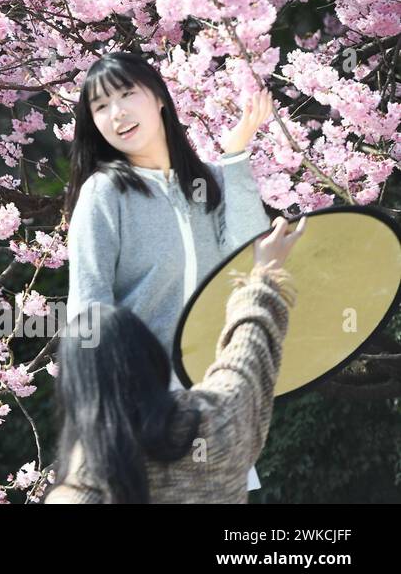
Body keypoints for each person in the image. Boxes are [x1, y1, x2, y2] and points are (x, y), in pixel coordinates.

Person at [63, 51, 274, 486]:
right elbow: (89, 306)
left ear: (158, 96)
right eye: (100, 106)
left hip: (216, 398)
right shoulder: (104, 193)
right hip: (144, 408)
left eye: (126, 94)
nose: (116, 113)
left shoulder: (208, 182)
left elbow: (248, 252)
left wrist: (235, 156)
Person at [44, 215, 305, 503]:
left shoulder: (80, 487)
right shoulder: (215, 418)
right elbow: (245, 355)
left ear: (73, 386)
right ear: (151, 356)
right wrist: (265, 271)